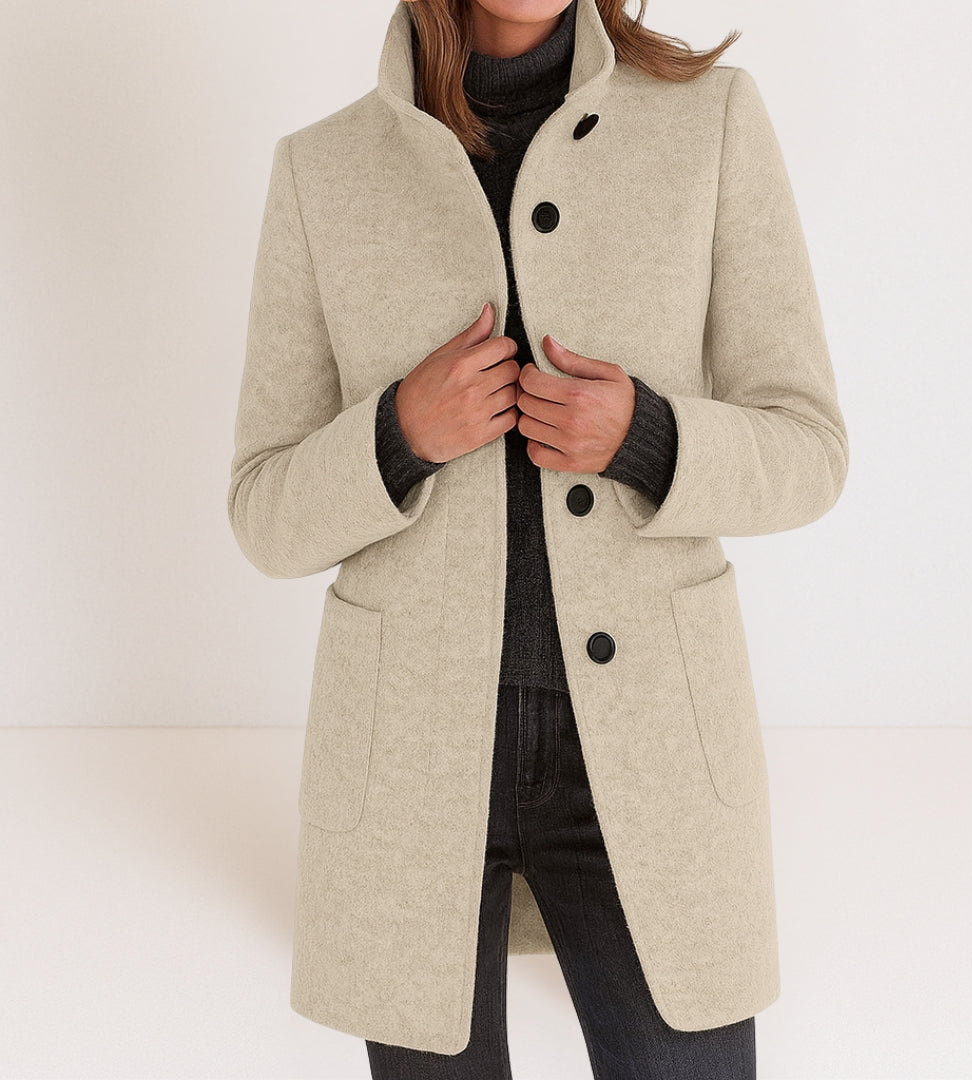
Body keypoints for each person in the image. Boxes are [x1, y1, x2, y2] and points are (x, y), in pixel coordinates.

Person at [227, 0, 849, 1077]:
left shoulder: (710, 123)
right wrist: (397, 436)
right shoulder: (323, 169)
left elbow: (811, 449)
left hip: (649, 753)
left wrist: (648, 437)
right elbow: (262, 511)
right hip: (409, 765)